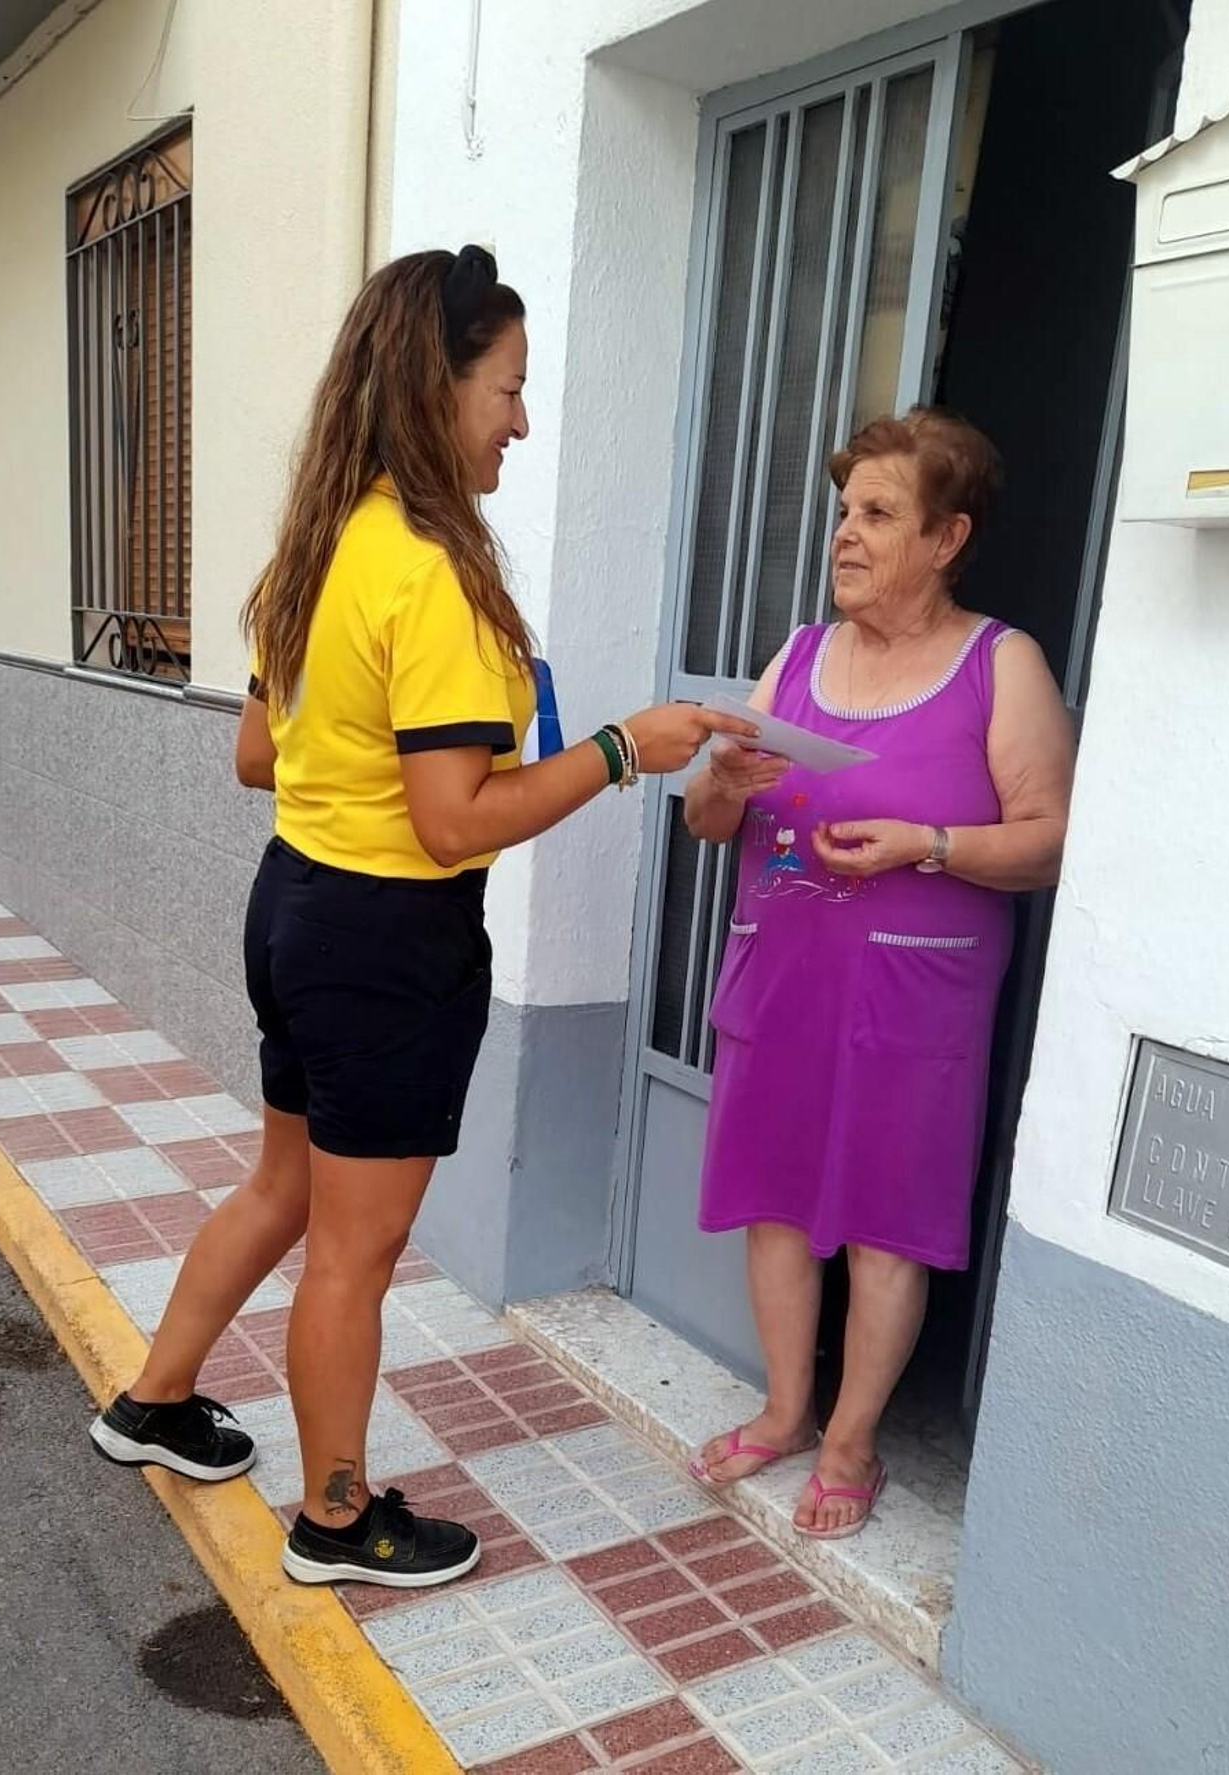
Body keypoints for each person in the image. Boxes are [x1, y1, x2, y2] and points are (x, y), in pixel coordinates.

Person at [89, 245, 750, 1590]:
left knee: (285, 1184)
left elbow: (260, 756)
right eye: (508, 387)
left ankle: (154, 1401)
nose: (521, 418)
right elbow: (454, 818)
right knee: (354, 1248)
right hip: (390, 940)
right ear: (434, 387)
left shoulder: (323, 546)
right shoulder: (431, 572)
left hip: (297, 908)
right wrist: (627, 746)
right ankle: (337, 1518)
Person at [685, 408, 1073, 1540]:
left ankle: (851, 1441)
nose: (845, 534)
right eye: (843, 511)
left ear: (947, 536)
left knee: (884, 1220)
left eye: (877, 513)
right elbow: (712, 821)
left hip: (915, 997)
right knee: (772, 1199)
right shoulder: (798, 656)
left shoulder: (1001, 664)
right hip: (784, 976)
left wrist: (931, 844)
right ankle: (785, 1409)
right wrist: (724, 774)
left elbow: (1049, 838)